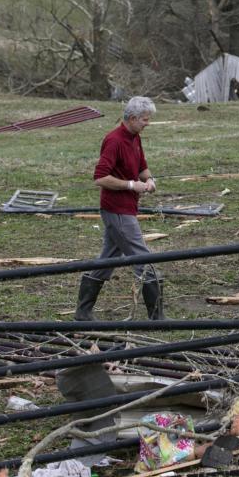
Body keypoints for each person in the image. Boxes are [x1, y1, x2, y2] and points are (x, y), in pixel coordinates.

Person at [75, 96, 165, 321]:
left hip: (126, 209)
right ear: (132, 118)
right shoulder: (114, 140)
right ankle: (157, 318)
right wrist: (132, 185)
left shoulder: (135, 137)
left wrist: (150, 179)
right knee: (143, 261)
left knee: (107, 260)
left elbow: (142, 166)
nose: (148, 123)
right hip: (117, 211)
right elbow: (100, 178)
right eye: (145, 119)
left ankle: (83, 312)